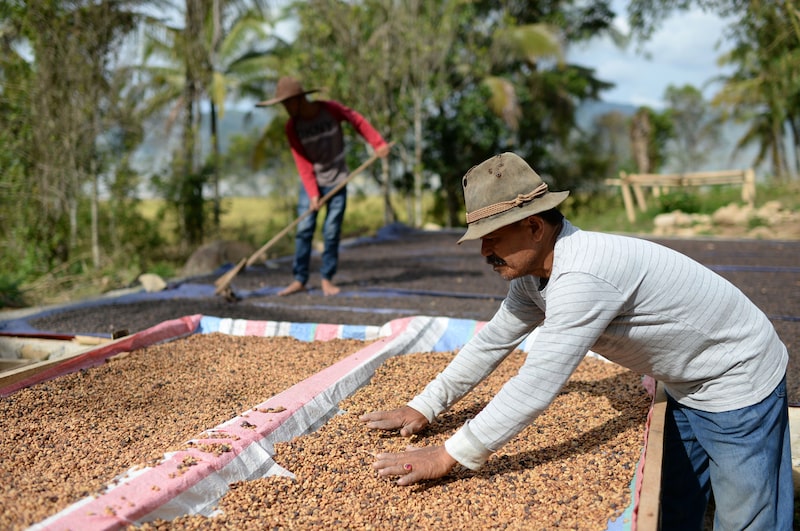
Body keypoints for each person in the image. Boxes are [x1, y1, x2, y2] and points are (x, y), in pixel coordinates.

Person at [360, 152, 793, 530]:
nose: (483, 252)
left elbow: (537, 383)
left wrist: (450, 454)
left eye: (492, 238)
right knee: (674, 505)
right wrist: (426, 403)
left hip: (736, 379)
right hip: (683, 379)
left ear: (533, 227)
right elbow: (492, 341)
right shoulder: (536, 276)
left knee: (746, 518)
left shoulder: (582, 276)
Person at [256, 76, 390, 296]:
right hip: (312, 182)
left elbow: (356, 120)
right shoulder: (293, 127)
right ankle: (300, 279)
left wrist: (378, 143)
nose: (286, 108)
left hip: (338, 179)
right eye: (283, 104)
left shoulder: (330, 110)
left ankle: (327, 278)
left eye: (288, 103)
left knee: (331, 230)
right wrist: (312, 193)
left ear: (300, 99)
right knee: (304, 229)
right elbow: (302, 162)